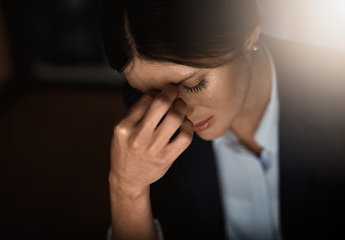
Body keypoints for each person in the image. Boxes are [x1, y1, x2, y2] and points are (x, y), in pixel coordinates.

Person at [101, 0, 345, 239]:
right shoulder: (147, 122)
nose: (178, 115)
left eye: (194, 84)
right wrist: (127, 190)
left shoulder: (336, 91)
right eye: (151, 95)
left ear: (248, 34)